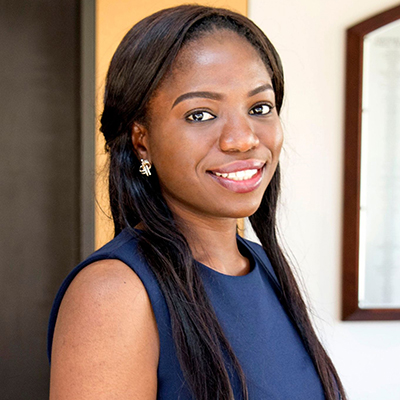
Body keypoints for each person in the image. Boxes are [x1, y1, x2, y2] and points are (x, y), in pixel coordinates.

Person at [47, 5, 346, 400]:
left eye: (259, 108)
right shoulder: (115, 294)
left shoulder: (266, 269)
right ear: (142, 141)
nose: (242, 139)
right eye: (201, 114)